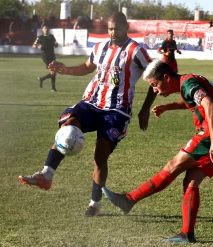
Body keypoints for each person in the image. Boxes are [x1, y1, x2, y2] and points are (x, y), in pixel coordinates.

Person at [18, 12, 157, 217]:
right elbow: (87, 67)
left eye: (117, 28)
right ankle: (46, 175)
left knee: (100, 155)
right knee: (68, 127)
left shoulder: (136, 50)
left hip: (116, 110)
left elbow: (155, 78)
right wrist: (65, 69)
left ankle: (95, 204)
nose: (113, 32)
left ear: (125, 28)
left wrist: (145, 109)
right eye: (110, 28)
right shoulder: (100, 47)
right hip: (90, 103)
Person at [102, 60, 213, 243]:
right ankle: (187, 233)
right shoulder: (187, 84)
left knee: (172, 166)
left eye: (154, 85)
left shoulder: (189, 83)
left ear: (166, 77)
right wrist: (168, 107)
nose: (155, 91)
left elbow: (209, 104)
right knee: (191, 181)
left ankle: (129, 200)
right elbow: (192, 100)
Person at [32, 24, 58, 92]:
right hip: (45, 56)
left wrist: (56, 44)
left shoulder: (51, 36)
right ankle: (53, 88)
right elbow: (34, 45)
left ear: (48, 29)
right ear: (42, 29)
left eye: (47, 28)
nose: (46, 29)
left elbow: (55, 44)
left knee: (54, 71)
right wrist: (37, 46)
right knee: (53, 70)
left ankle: (42, 79)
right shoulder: (40, 37)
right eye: (44, 28)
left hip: (52, 55)